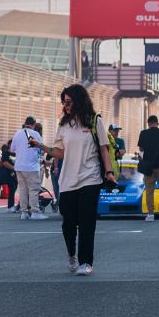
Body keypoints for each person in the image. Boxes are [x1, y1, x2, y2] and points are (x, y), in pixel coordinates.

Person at [51, 84, 116, 276]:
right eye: (63, 102)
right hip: (68, 180)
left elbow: (103, 148)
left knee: (87, 222)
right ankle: (72, 254)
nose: (66, 106)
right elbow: (59, 152)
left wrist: (109, 172)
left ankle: (86, 262)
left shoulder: (95, 121)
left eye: (69, 102)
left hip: (91, 177)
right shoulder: (63, 125)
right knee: (68, 223)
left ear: (79, 101)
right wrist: (41, 148)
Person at [11, 116, 48, 220]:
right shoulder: (35, 134)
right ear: (34, 124)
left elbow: (12, 148)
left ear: (25, 122)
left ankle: (24, 213)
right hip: (31, 166)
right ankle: (35, 212)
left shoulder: (17, 133)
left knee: (23, 190)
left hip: (19, 166)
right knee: (33, 190)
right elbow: (41, 149)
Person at [0, 142, 18, 212]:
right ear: (10, 145)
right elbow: (5, 163)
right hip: (8, 174)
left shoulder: (17, 153)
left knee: (14, 188)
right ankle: (10, 206)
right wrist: (14, 168)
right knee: (12, 188)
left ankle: (14, 206)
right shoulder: (6, 153)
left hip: (15, 174)